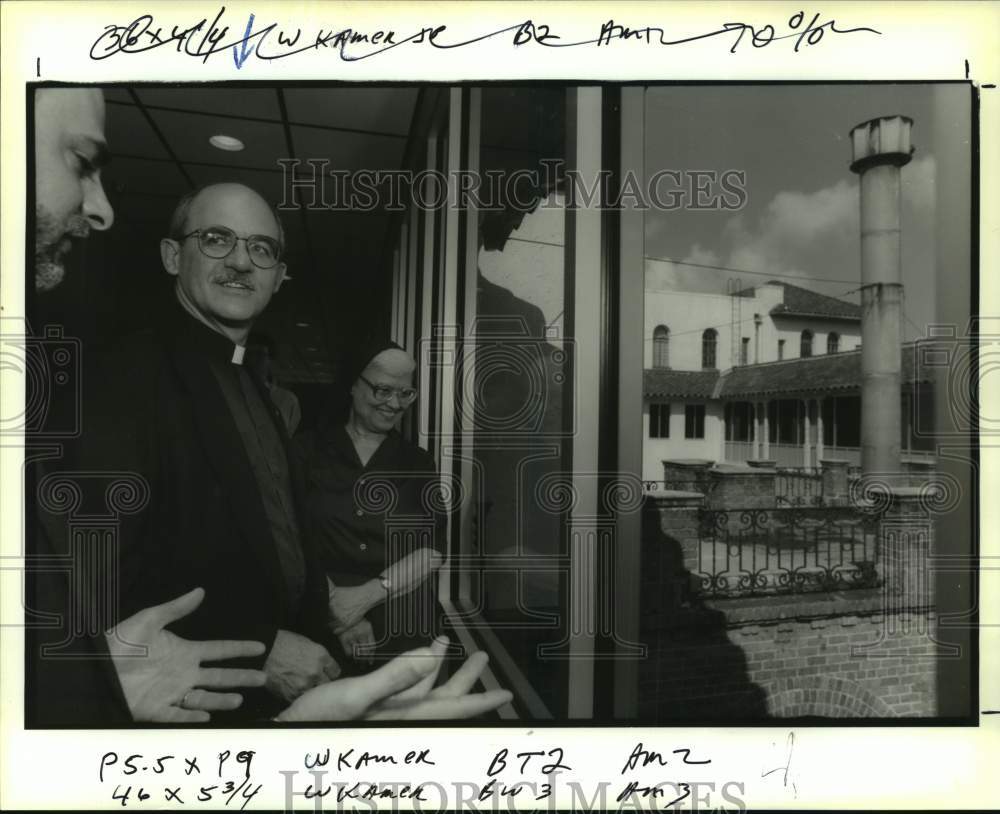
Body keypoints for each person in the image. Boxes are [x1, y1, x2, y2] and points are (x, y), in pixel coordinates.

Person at [27, 88, 510, 725]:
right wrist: (266, 643)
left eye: (261, 249)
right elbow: (92, 582)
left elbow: (278, 538)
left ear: (280, 275)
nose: (240, 262)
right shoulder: (123, 376)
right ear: (174, 255)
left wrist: (325, 619)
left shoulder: (258, 385)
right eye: (217, 240)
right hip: (198, 704)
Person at [296, 341, 444, 665]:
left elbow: (432, 551)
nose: (394, 403)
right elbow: (287, 540)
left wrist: (362, 599)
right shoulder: (304, 451)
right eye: (383, 390)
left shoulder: (418, 463)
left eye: (406, 393)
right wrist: (337, 611)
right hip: (318, 628)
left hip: (401, 631)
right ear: (353, 384)